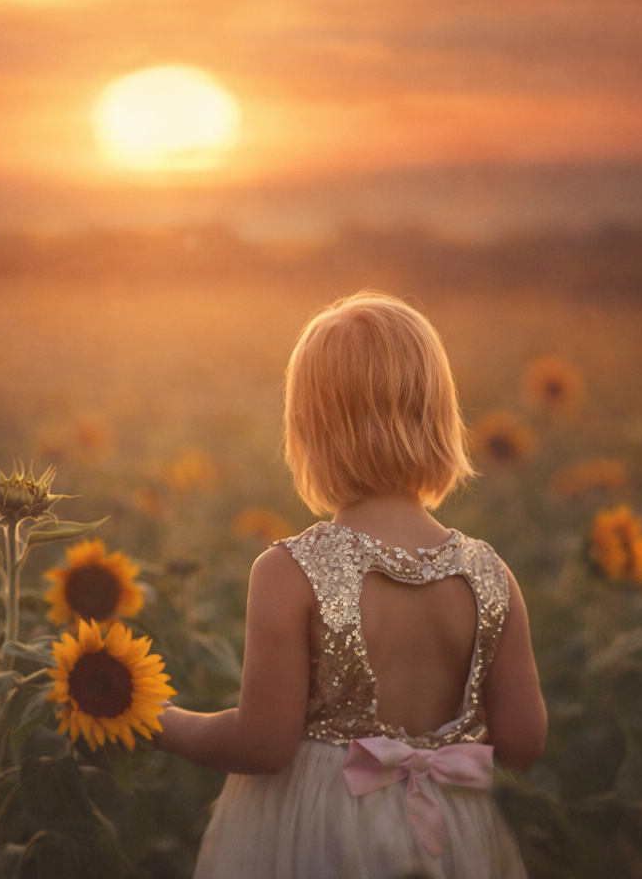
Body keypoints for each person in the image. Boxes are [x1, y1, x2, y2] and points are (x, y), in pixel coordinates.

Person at [153, 291, 546, 879]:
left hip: (319, 832)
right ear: (439, 415)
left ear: (307, 428)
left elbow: (262, 745)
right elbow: (523, 744)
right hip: (451, 834)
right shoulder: (491, 575)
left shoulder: (291, 572)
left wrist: (156, 720)